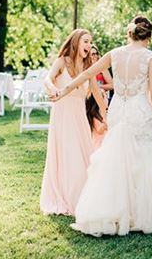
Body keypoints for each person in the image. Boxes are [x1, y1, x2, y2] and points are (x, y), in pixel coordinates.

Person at [58, 16, 152, 237]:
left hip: (119, 110)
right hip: (139, 110)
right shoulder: (151, 58)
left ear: (129, 33)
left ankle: (112, 210)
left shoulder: (115, 53)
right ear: (149, 37)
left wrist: (64, 90)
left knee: (117, 157)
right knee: (143, 157)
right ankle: (142, 215)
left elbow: (87, 73)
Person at [40, 29, 108, 216]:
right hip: (62, 113)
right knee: (67, 153)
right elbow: (47, 78)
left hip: (79, 114)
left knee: (82, 152)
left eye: (90, 42)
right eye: (85, 41)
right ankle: (67, 196)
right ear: (76, 42)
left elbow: (95, 91)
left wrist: (106, 113)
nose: (88, 46)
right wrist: (53, 88)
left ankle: (84, 196)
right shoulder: (63, 61)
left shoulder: (89, 66)